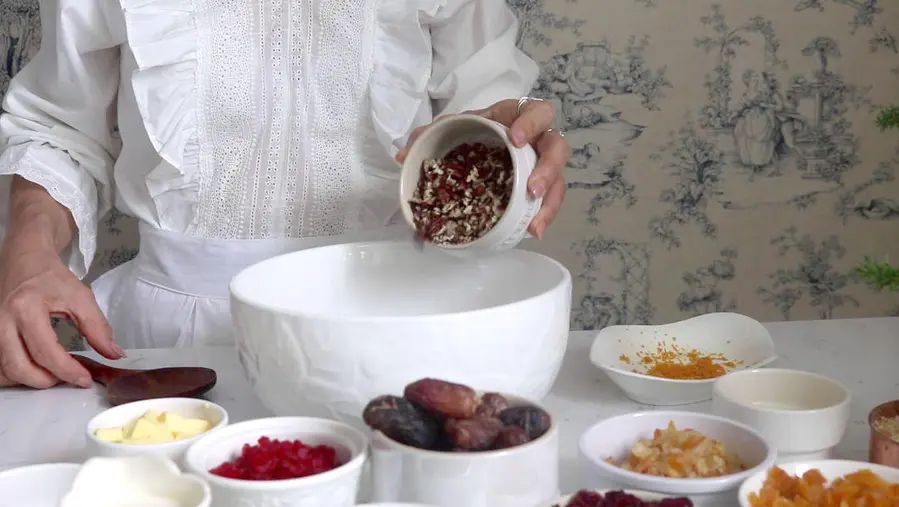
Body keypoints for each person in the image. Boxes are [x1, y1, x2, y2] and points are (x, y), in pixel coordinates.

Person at [0, 0, 569, 389]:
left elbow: (490, 109)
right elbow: (60, 129)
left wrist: (515, 150)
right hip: (173, 352)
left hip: (397, 327)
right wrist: (28, 250)